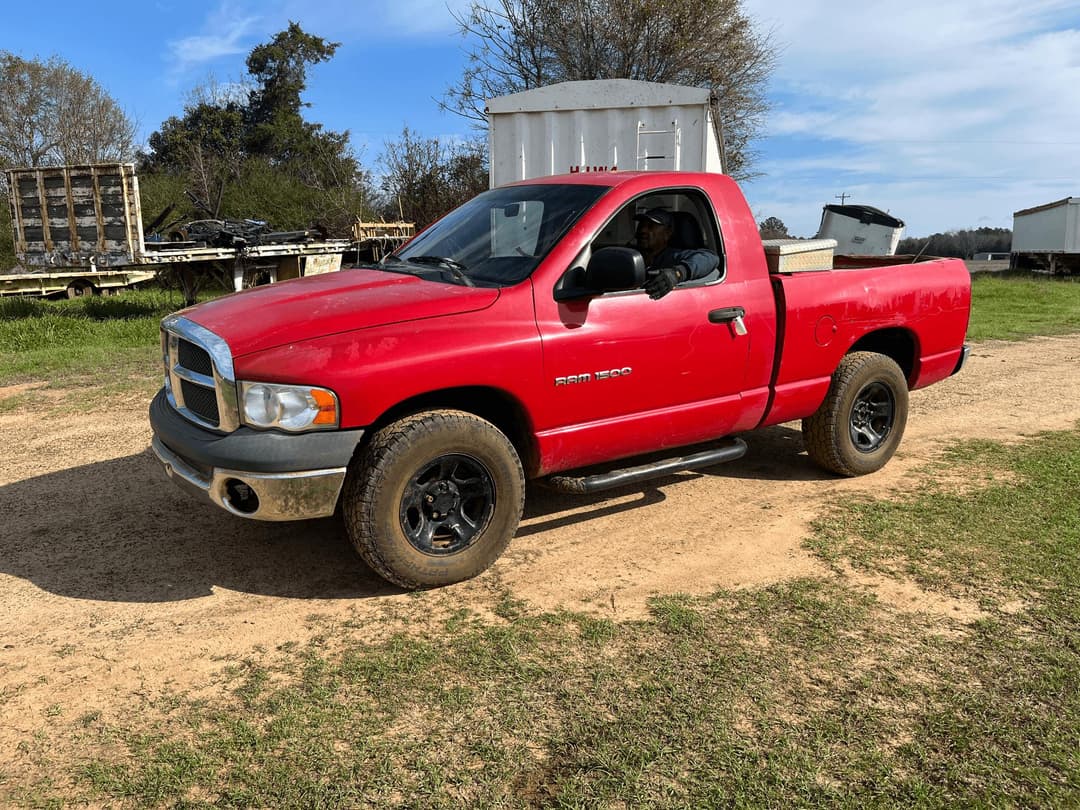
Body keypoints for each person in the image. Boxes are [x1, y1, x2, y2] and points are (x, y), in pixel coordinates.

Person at [633, 208, 720, 299]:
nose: (642, 230)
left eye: (650, 226)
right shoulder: (631, 255)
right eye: (641, 226)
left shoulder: (673, 256)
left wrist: (677, 273)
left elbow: (710, 257)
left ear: (667, 233)